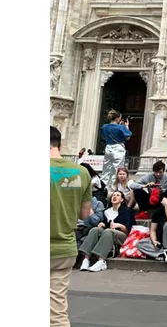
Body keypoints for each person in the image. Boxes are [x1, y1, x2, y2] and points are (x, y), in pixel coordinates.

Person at [50, 126, 92, 327]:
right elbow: (84, 214)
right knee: (56, 311)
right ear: (60, 144)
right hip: (64, 248)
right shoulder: (81, 172)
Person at [79, 190, 137, 272]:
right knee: (95, 229)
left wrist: (120, 225)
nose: (114, 197)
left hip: (122, 236)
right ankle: (86, 259)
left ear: (122, 199)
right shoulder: (107, 211)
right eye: (113, 195)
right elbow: (105, 224)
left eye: (118, 195)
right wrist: (102, 224)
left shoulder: (126, 211)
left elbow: (129, 229)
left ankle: (101, 260)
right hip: (108, 234)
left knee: (108, 232)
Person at [99, 110, 132, 190]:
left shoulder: (104, 126)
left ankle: (103, 187)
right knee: (117, 169)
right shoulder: (121, 127)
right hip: (118, 147)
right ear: (118, 118)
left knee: (106, 168)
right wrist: (126, 126)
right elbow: (127, 137)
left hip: (108, 147)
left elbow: (103, 135)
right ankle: (114, 188)